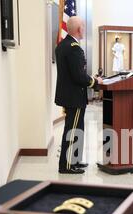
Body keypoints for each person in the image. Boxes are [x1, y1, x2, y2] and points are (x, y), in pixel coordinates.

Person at [55, 16, 103, 174]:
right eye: (83, 26)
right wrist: (95, 82)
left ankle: (74, 161)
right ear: (79, 29)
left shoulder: (63, 45)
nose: (84, 29)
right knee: (73, 131)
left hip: (70, 96)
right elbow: (78, 76)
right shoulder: (74, 47)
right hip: (74, 97)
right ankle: (67, 165)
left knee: (77, 129)